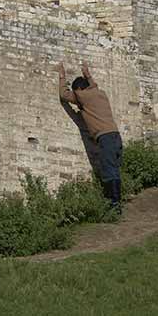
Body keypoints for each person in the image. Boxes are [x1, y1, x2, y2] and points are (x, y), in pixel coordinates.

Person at [58, 61, 122, 211]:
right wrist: (88, 75)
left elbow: (64, 95)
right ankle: (116, 202)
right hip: (115, 136)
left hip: (105, 138)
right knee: (114, 170)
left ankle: (114, 205)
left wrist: (62, 76)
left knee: (108, 171)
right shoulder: (101, 93)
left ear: (79, 89)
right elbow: (93, 86)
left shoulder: (83, 96)